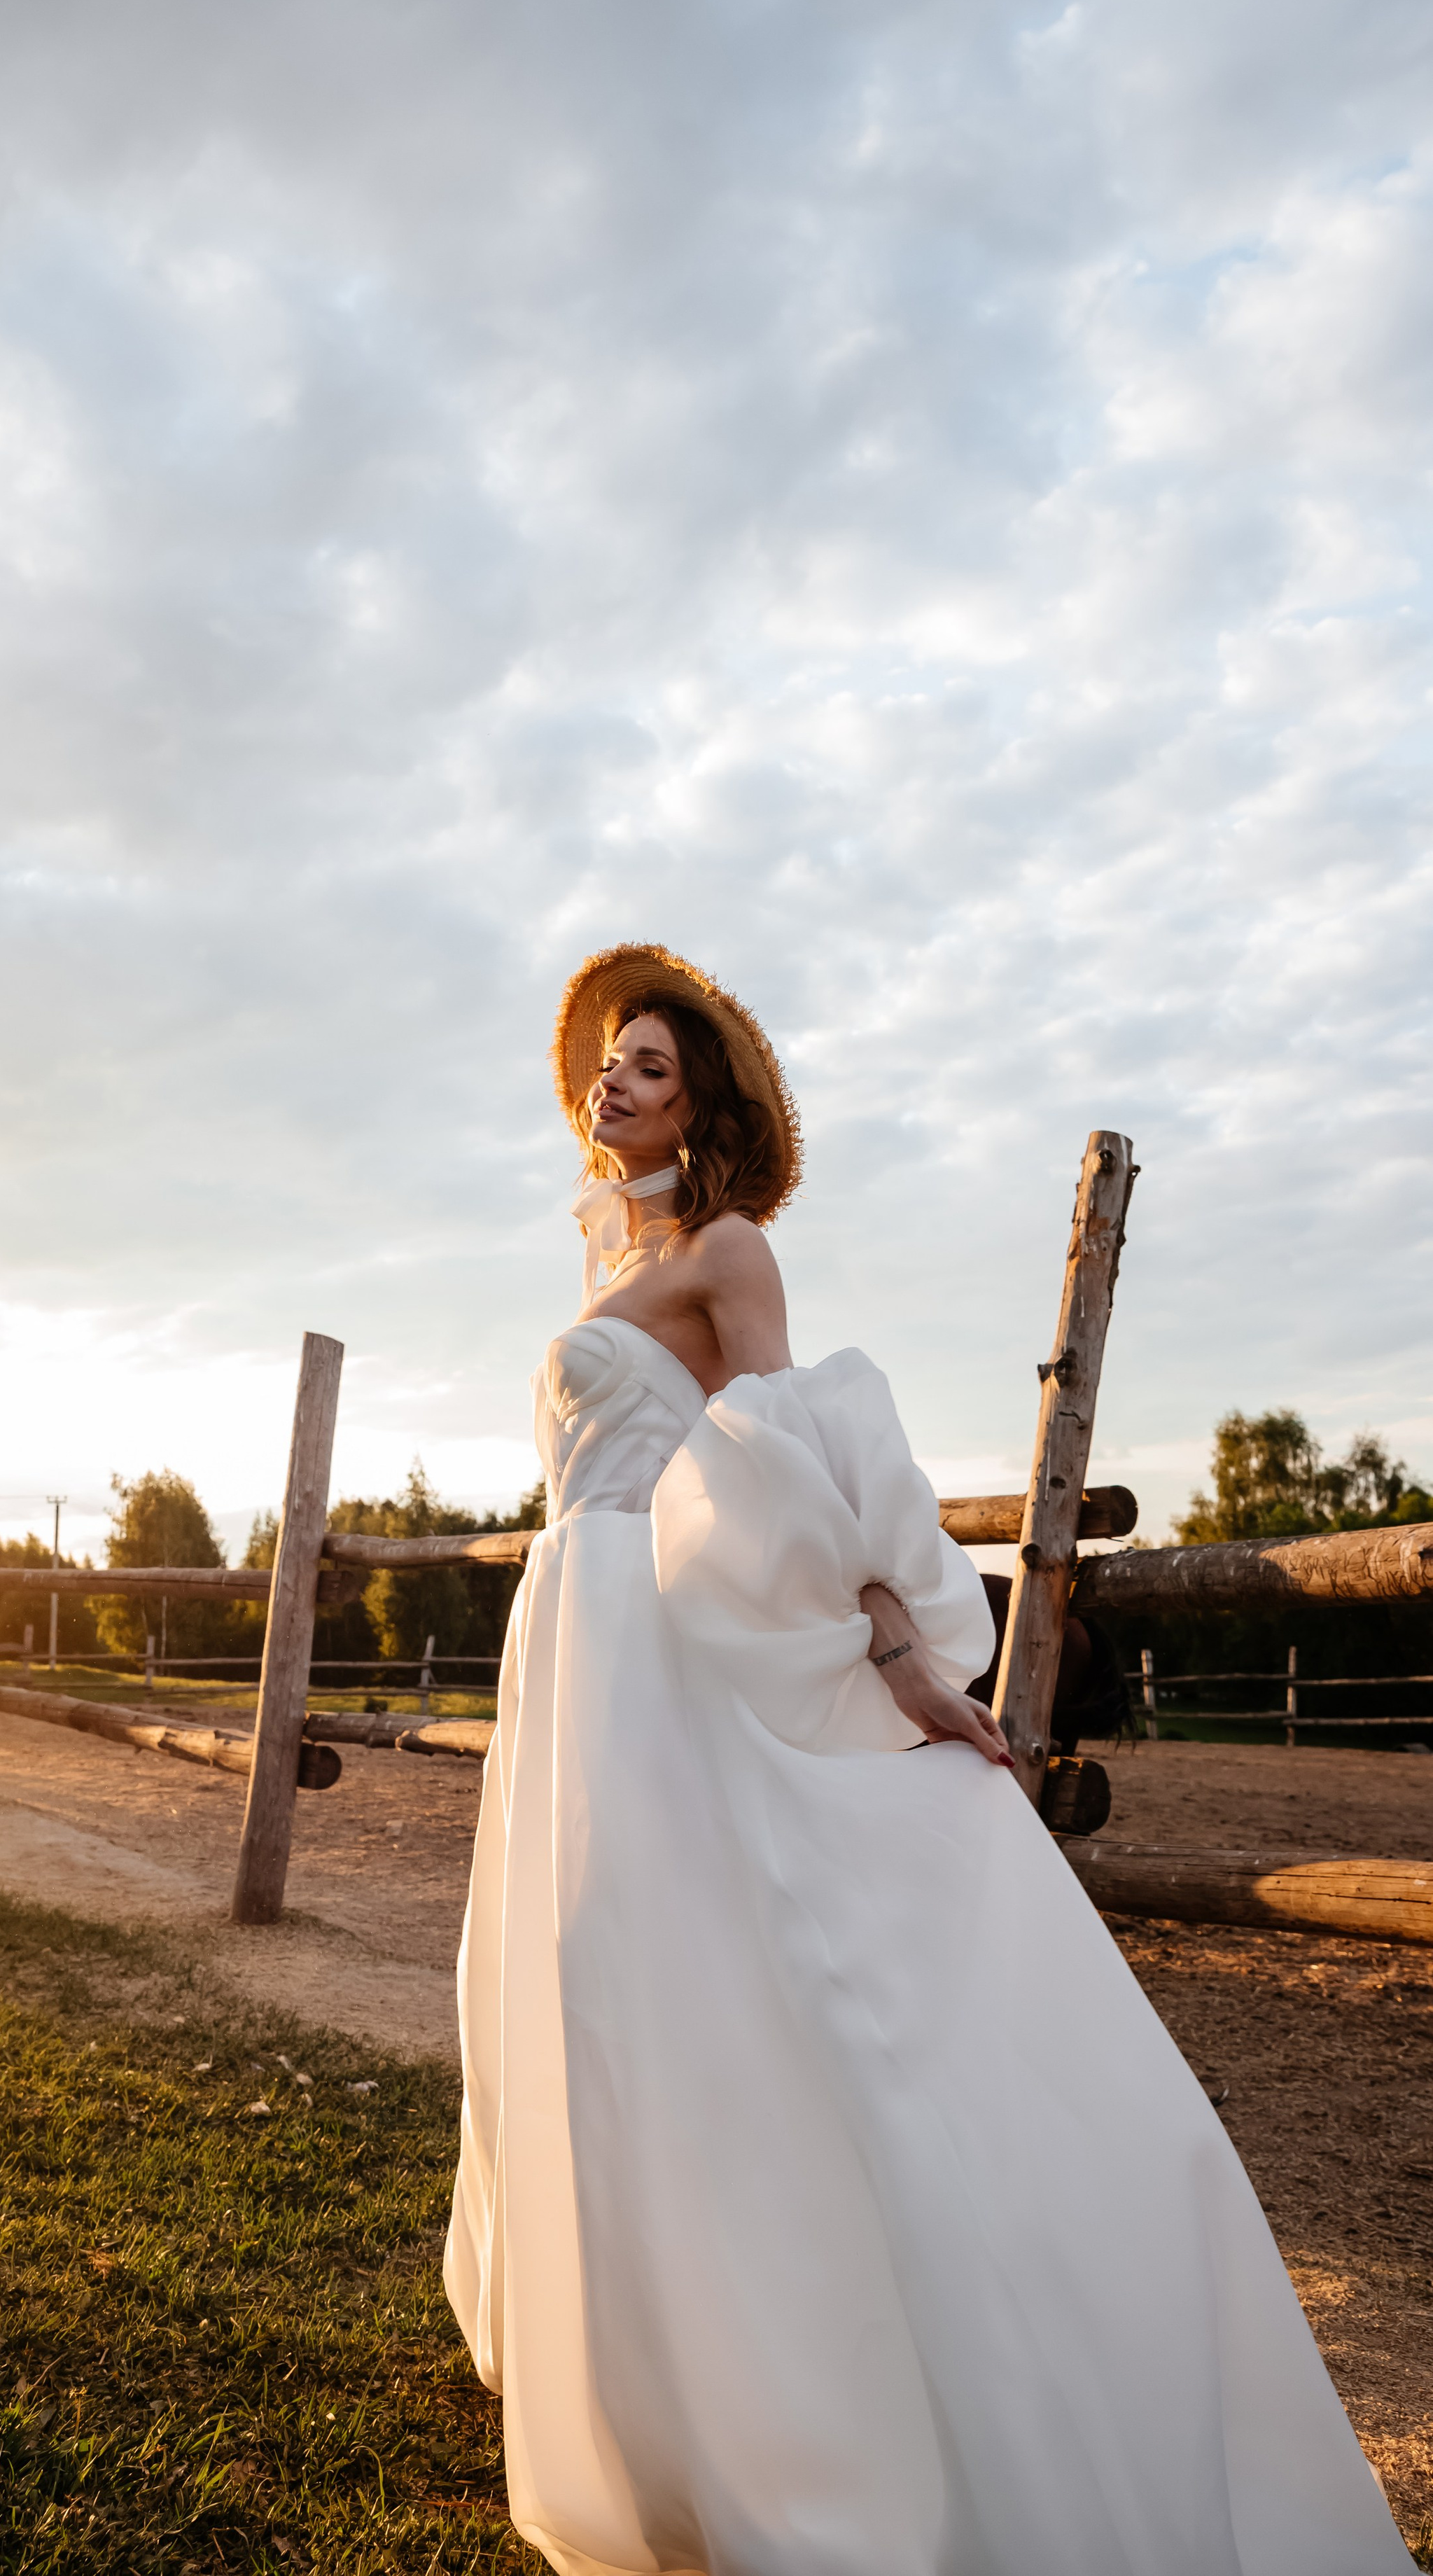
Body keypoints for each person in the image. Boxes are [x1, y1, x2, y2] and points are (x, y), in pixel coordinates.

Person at [444, 941, 1411, 2576]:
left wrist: (896, 1655)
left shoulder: (732, 1252)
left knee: (718, 1995)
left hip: (660, 1645)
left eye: (652, 1065)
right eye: (609, 1059)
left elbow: (795, 1465)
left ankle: (823, 2419)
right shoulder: (608, 1272)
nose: (613, 1079)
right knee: (591, 1982)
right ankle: (641, 2391)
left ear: (710, 1110)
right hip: (572, 1643)